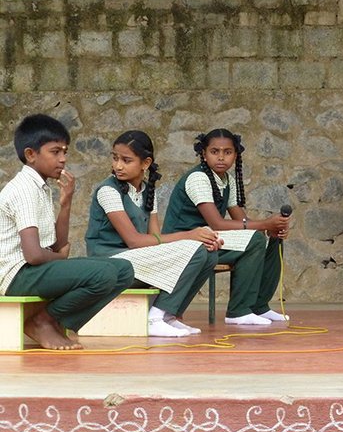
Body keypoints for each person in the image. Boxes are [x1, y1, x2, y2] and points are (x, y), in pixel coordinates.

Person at [0, 114, 134, 350]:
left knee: (123, 270)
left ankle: (51, 319)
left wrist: (66, 202)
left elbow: (56, 243)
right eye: (55, 152)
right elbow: (34, 255)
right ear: (31, 155)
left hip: (35, 270)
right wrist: (61, 258)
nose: (63, 159)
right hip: (16, 275)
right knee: (102, 274)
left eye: (65, 152)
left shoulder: (40, 187)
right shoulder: (23, 189)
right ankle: (42, 321)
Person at [85, 131, 222, 338]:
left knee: (208, 253)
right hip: (110, 262)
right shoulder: (108, 191)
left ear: (145, 163)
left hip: (136, 260)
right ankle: (154, 318)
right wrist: (188, 236)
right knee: (193, 249)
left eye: (126, 160)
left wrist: (202, 240)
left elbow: (155, 239)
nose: (118, 166)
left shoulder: (148, 192)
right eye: (115, 158)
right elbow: (134, 241)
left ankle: (169, 315)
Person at [162, 128, 290, 326]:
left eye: (227, 152)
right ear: (203, 154)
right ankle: (238, 311)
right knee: (255, 239)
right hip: (186, 241)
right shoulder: (198, 178)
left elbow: (240, 219)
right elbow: (218, 223)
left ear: (235, 155)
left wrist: (270, 228)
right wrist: (263, 224)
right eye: (215, 152)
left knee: (271, 237)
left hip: (210, 240)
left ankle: (259, 306)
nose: (221, 157)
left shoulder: (227, 180)